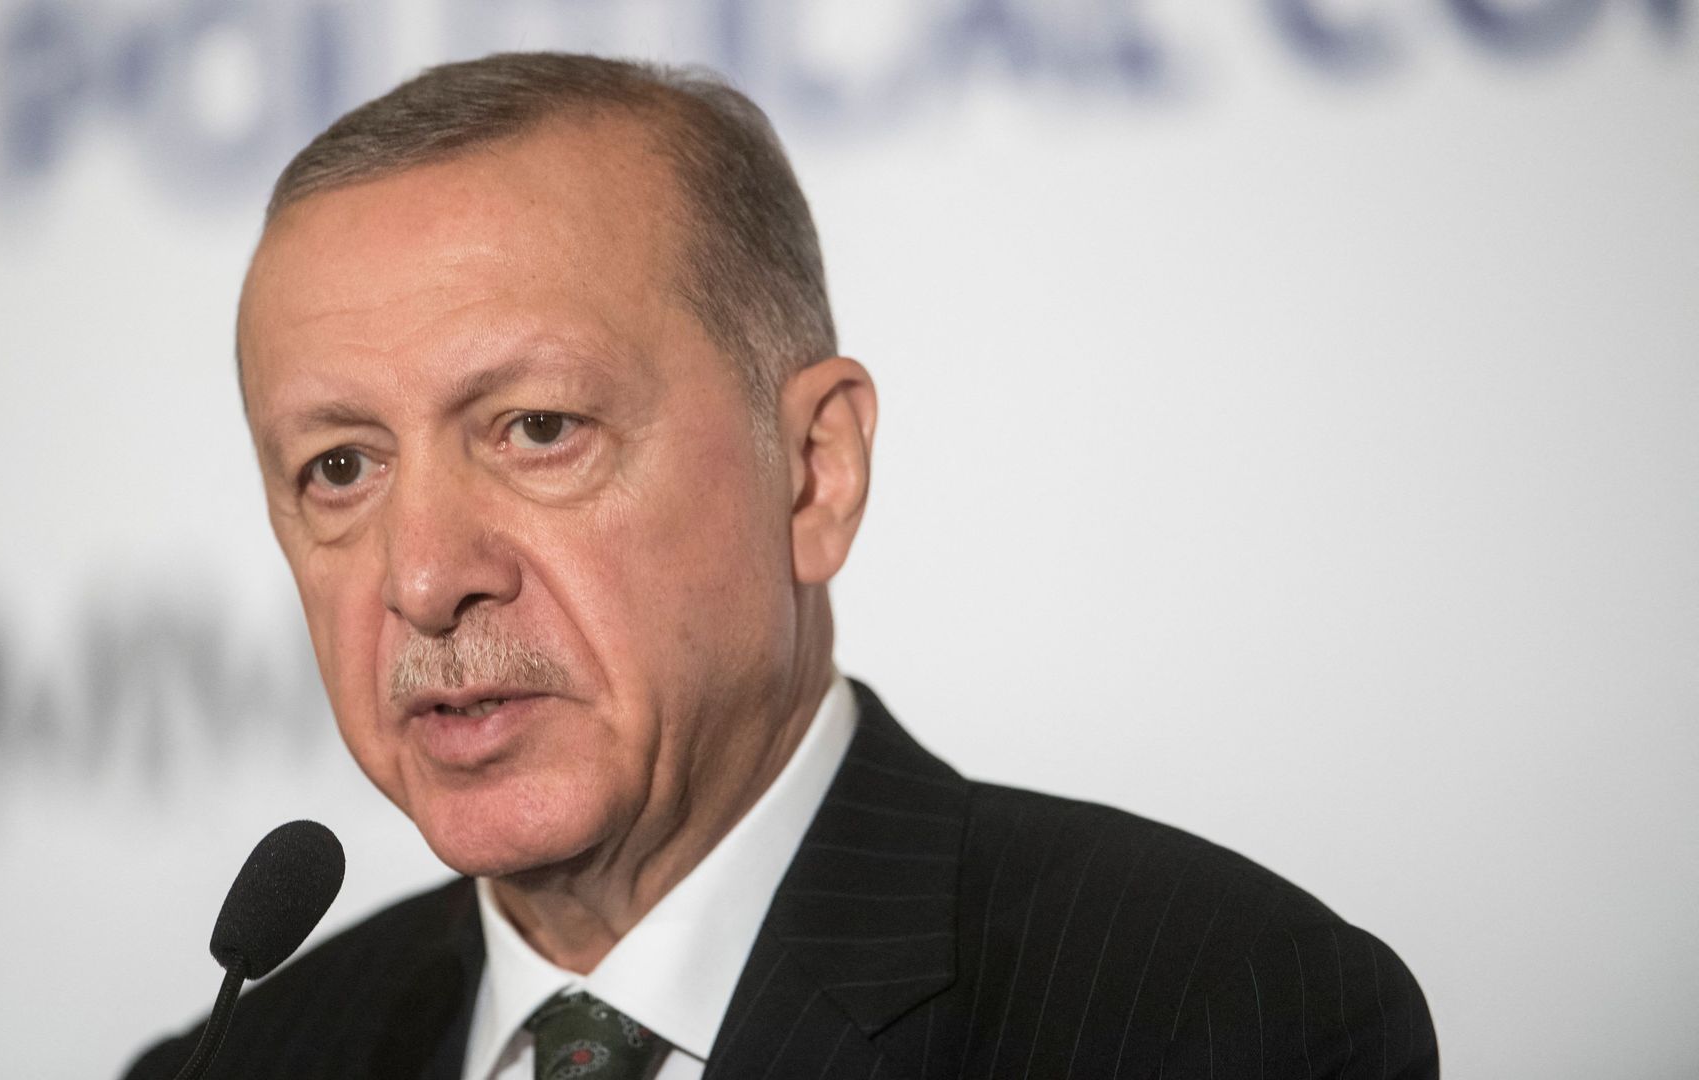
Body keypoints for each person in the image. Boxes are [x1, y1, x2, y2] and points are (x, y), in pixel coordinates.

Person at [126, 52, 1436, 1080]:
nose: (423, 578)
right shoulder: (238, 1063)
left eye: (538, 430)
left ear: (814, 471)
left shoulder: (1209, 1018)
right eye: (340, 468)